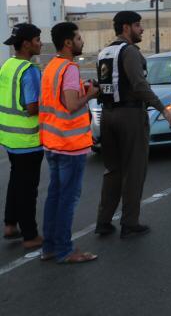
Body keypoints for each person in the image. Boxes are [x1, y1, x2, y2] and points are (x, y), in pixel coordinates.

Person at [95, 11, 171, 239]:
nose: (141, 29)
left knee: (112, 170)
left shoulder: (104, 52)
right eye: (138, 25)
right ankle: (130, 223)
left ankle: (103, 221)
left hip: (108, 115)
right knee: (134, 171)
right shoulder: (129, 52)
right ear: (126, 27)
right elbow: (140, 86)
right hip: (130, 116)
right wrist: (163, 110)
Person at [39, 22, 98, 263]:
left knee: (54, 196)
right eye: (79, 38)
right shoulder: (70, 69)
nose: (82, 42)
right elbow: (72, 104)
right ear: (67, 43)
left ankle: (50, 248)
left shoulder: (51, 67)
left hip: (52, 143)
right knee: (67, 199)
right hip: (70, 146)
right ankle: (65, 250)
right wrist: (91, 94)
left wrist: (79, 91)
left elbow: (59, 101)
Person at [0, 23, 44, 250]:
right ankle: (30, 235)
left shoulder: (8, 65)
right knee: (28, 189)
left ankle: (10, 224)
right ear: (26, 44)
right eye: (37, 39)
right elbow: (31, 107)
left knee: (16, 181)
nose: (40, 43)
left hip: (9, 137)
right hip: (28, 139)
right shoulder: (29, 70)